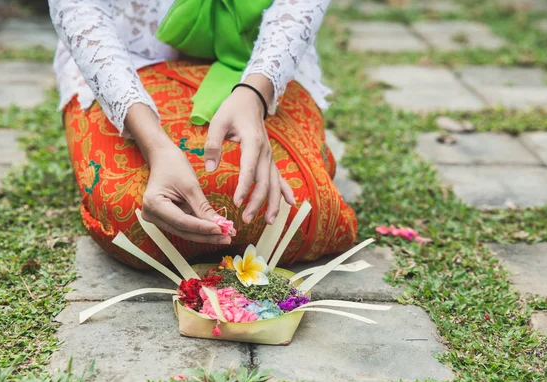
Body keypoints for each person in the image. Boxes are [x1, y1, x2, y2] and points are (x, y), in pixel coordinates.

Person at [49, 0, 357, 269]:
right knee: (134, 211)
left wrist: (255, 93)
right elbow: (79, 8)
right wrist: (156, 146)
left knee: (298, 208)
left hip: (260, 57)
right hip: (128, 58)